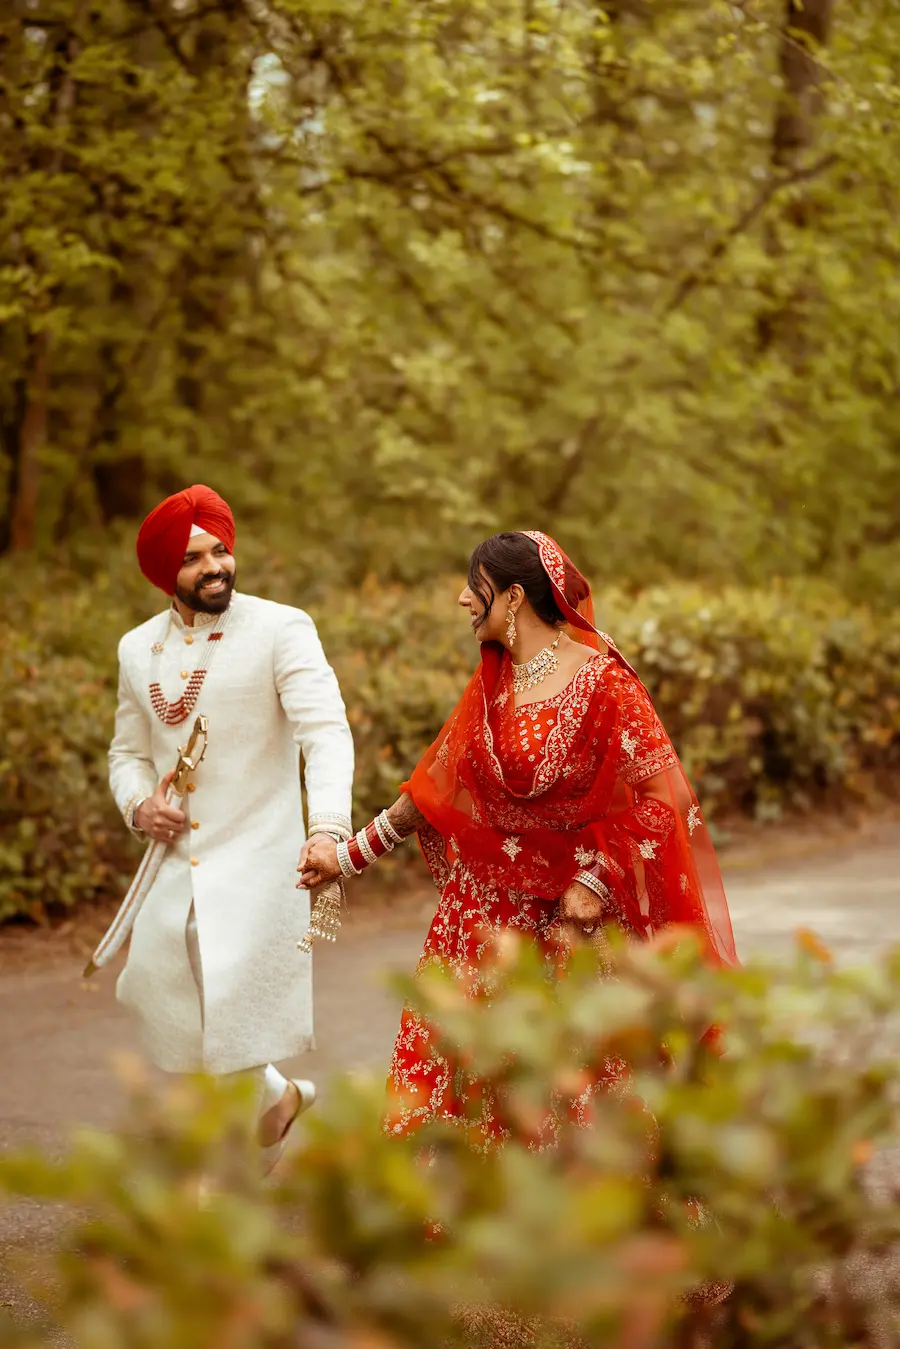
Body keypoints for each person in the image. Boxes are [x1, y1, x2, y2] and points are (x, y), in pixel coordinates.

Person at [299, 530, 737, 1146]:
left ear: (512, 597)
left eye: (473, 586)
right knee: (455, 1078)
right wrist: (347, 858)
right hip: (476, 921)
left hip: (566, 926)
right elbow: (430, 791)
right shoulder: (493, 681)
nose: (461, 599)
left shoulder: (605, 683)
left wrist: (594, 881)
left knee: (562, 1094)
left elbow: (664, 801)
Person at [107, 484, 354, 1172]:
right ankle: (278, 1099)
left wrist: (328, 828)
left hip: (260, 858)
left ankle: (220, 1177)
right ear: (167, 571)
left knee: (229, 1006)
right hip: (173, 866)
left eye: (220, 550)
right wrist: (139, 805)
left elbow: (325, 732)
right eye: (193, 558)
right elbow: (127, 753)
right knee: (175, 1010)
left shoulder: (281, 628)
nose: (215, 566)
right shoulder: (137, 649)